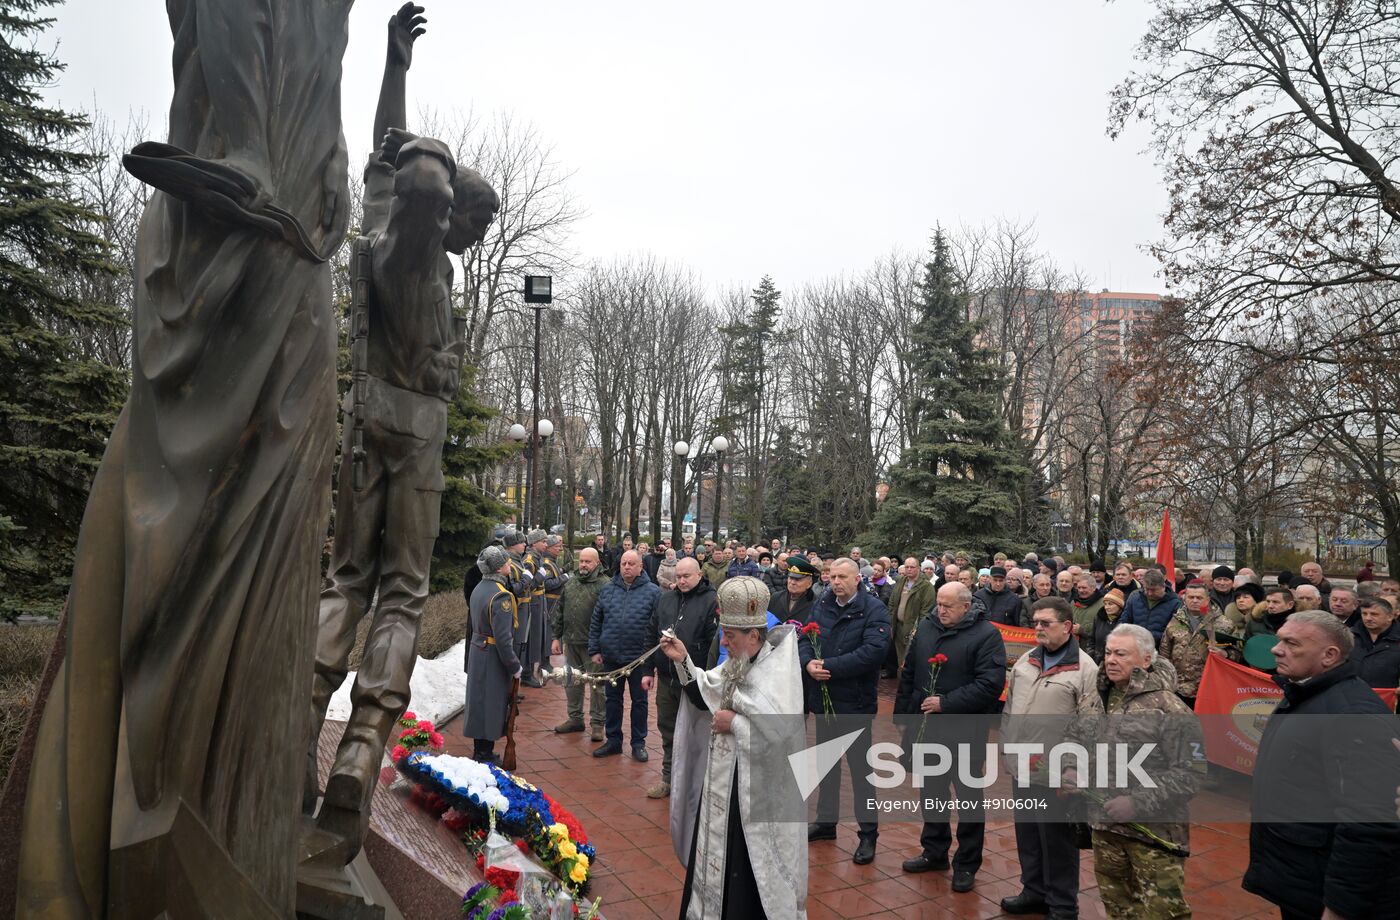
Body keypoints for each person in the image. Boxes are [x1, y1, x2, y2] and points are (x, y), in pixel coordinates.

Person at [306, 4, 501, 856]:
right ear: (455, 213)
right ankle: (357, 753)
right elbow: (413, 174)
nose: (480, 232)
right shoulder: (418, 251)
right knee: (396, 592)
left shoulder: (389, 236)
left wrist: (395, 72)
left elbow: (388, 165)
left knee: (347, 580)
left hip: (366, 421)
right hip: (409, 428)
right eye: (480, 220)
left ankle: (297, 728)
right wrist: (437, 162)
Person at [1244, 610, 1400, 920]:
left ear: (1329, 655)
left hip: (1324, 888)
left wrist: (1341, 907)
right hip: (1300, 875)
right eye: (1279, 641)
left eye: (1291, 643)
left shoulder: (1353, 716)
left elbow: (1369, 822)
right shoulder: (1305, 692)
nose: (1276, 649)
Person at [667, 578, 807, 920]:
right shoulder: (738, 662)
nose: (724, 641)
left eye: (730, 635)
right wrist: (683, 658)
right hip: (723, 790)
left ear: (755, 636)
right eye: (724, 632)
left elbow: (783, 737)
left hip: (756, 803)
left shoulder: (778, 674)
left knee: (745, 876)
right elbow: (704, 692)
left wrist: (737, 724)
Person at [1069, 624, 1203, 920]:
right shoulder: (1096, 699)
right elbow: (1075, 739)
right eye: (1108, 652)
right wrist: (1070, 769)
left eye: (1121, 654)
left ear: (1146, 660)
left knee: (1161, 913)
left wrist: (1137, 802)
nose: (1111, 660)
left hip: (1153, 835)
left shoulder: (1169, 708)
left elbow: (1190, 773)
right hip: (1104, 829)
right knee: (1118, 906)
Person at [895, 582, 1006, 893]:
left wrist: (947, 703)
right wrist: (902, 717)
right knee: (932, 791)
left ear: (966, 607)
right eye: (938, 604)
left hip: (965, 731)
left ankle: (967, 864)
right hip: (926, 728)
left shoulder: (986, 635)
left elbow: (990, 684)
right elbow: (910, 673)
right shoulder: (928, 627)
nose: (940, 610)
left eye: (947, 606)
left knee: (969, 799)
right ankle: (934, 851)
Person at [999, 597, 1102, 919]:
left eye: (1046, 623)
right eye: (1036, 623)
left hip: (1058, 772)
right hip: (1022, 766)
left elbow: (1091, 726)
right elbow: (1010, 707)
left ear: (1068, 627)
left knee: (1058, 842)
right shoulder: (1026, 660)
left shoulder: (1086, 670)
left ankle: (1061, 904)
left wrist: (1074, 768)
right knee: (1028, 834)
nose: (1038, 628)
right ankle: (1034, 892)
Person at [799, 557, 890, 865]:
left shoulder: (873, 609)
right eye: (832, 576)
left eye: (841, 577)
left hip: (855, 702)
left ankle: (868, 835)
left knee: (860, 772)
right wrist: (808, 663)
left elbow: (874, 652)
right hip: (823, 697)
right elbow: (805, 638)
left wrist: (830, 667)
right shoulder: (823, 603)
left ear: (857, 580)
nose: (835, 581)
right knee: (826, 765)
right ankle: (826, 822)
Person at [645, 557, 719, 798]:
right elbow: (651, 634)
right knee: (667, 729)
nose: (682, 581)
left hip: (695, 680)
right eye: (678, 576)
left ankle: (698, 782)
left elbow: (713, 645)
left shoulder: (711, 600)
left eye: (687, 576)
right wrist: (648, 671)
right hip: (667, 678)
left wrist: (706, 677)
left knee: (696, 732)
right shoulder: (665, 599)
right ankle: (668, 778)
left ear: (699, 574)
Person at [588, 550, 660, 760]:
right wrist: (595, 649)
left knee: (639, 702)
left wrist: (652, 661)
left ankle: (638, 743)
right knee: (612, 700)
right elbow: (596, 621)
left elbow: (657, 626)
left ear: (640, 567)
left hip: (639, 658)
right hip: (611, 656)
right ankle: (613, 741)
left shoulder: (653, 592)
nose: (626, 567)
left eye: (631, 563)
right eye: (623, 563)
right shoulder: (608, 589)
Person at [464, 546, 522, 763]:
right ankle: (484, 753)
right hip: (492, 656)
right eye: (506, 561)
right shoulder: (501, 596)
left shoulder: (480, 587)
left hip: (478, 651)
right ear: (499, 567)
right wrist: (514, 666)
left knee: (479, 702)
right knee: (491, 703)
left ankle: (480, 749)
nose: (509, 564)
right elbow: (504, 639)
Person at [551, 547, 607, 740]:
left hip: (594, 646)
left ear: (597, 563)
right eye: (581, 561)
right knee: (572, 682)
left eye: (587, 561)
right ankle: (575, 718)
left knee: (597, 685)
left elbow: (609, 617)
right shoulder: (571, 583)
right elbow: (560, 611)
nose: (583, 565)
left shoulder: (605, 585)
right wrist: (556, 637)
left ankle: (598, 724)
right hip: (571, 641)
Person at [1158, 582, 1240, 709]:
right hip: (1178, 689)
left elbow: (1238, 653)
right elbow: (1164, 651)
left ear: (1207, 599)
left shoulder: (1224, 624)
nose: (1195, 601)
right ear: (1184, 598)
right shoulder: (1175, 620)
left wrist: (1225, 654)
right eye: (1191, 597)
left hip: (1209, 688)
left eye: (1199, 598)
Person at [885, 557, 936, 679]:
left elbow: (926, 611)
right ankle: (902, 681)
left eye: (912, 567)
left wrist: (917, 629)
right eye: (906, 567)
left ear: (918, 569)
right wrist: (891, 623)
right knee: (900, 657)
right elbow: (892, 603)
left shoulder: (926, 587)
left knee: (910, 658)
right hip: (898, 626)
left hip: (913, 628)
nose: (909, 569)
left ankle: (908, 683)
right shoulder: (901, 582)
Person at [1350, 596, 1400, 689]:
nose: (1368, 618)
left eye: (1374, 614)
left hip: (1386, 699)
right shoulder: (1348, 636)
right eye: (1364, 614)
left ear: (1390, 616)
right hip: (1352, 696)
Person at [1120, 569, 1181, 643]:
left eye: (1153, 590)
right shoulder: (1134, 597)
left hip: (1160, 650)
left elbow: (1176, 632)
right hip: (1134, 645)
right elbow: (1124, 621)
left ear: (1163, 586)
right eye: (1147, 589)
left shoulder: (1176, 603)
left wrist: (1148, 636)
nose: (1149, 593)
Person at [767, 555, 821, 626]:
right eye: (791, 578)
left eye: (797, 579)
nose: (792, 582)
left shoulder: (816, 604)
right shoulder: (775, 598)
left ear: (809, 583)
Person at [1069, 571, 1105, 638]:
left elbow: (1103, 630)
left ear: (1093, 588)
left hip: (1091, 646)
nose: (1081, 590)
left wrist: (1082, 630)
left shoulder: (1103, 604)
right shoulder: (1073, 602)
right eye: (1079, 588)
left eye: (1084, 588)